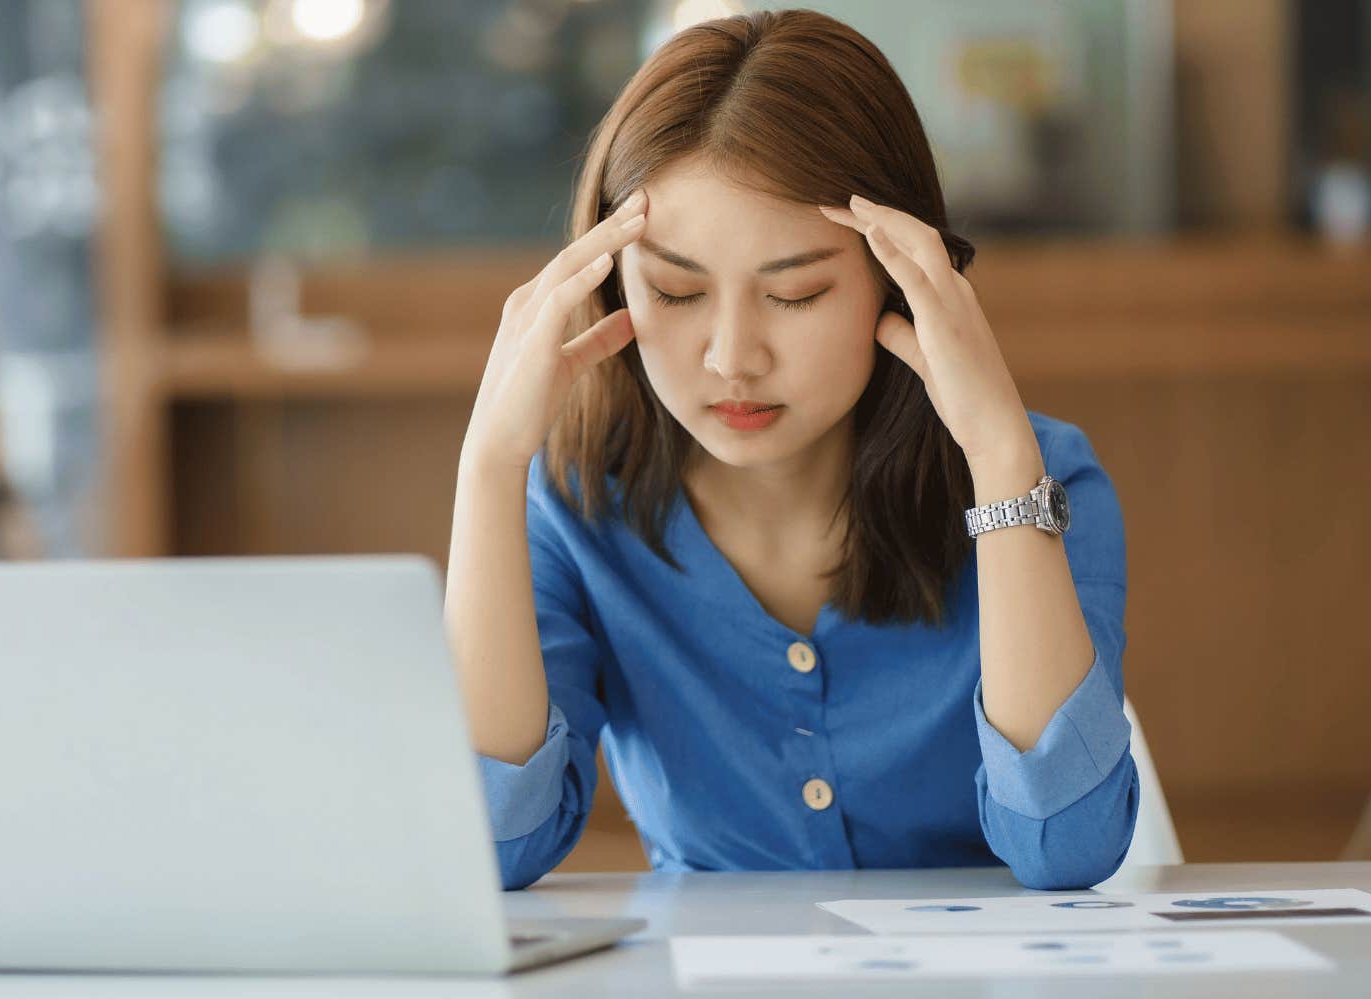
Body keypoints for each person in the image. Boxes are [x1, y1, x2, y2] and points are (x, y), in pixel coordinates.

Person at [444, 9, 1137, 891]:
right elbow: (493, 847)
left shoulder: (1042, 478)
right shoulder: (575, 504)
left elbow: (1069, 846)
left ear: (902, 277)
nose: (733, 357)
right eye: (675, 290)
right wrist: (488, 470)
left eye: (798, 294)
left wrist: (998, 458)